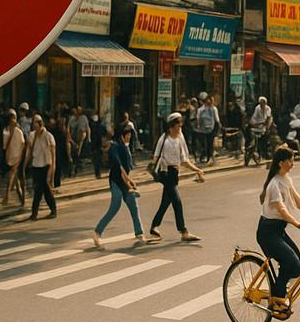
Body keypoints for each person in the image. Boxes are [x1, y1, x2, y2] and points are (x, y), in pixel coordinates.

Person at [258, 146, 300, 318]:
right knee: (293, 264)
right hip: (268, 233)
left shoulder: (286, 179)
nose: (293, 163)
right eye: (290, 160)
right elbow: (281, 209)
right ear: (281, 163)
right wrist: (296, 223)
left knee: (298, 266)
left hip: (278, 231)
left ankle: (279, 288)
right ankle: (277, 302)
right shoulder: (274, 184)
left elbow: (297, 199)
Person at [149, 112, 205, 243]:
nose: (180, 126)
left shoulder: (180, 138)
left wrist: (197, 170)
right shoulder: (164, 139)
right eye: (178, 124)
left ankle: (154, 227)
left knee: (165, 203)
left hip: (174, 173)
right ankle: (183, 231)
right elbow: (155, 157)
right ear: (172, 126)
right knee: (177, 202)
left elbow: (184, 160)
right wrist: (154, 168)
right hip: (165, 173)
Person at [93, 125, 151, 248]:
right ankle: (97, 233)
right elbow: (120, 168)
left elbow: (127, 168)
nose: (129, 138)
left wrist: (129, 181)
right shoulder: (115, 148)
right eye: (127, 136)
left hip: (125, 182)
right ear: (121, 136)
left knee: (133, 206)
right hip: (116, 181)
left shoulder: (126, 147)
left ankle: (139, 233)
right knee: (115, 206)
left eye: (130, 136)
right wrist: (129, 181)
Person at [26, 115, 57, 220]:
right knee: (38, 190)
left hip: (46, 166)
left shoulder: (48, 136)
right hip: (36, 165)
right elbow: (30, 150)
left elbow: (53, 154)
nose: (35, 126)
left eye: (36, 123)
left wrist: (52, 168)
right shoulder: (32, 136)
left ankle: (50, 210)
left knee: (44, 190)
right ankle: (35, 213)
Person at [1, 111, 26, 207]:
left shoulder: (19, 131)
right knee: (16, 181)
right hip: (10, 156)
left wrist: (21, 156)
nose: (14, 120)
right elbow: (4, 146)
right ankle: (22, 201)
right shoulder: (6, 131)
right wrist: (11, 133)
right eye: (13, 118)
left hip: (18, 156)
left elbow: (23, 144)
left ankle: (7, 194)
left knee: (13, 175)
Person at [194, 93, 220, 164]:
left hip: (211, 129)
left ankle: (209, 157)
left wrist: (217, 130)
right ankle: (205, 157)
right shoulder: (201, 110)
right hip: (203, 129)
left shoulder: (213, 109)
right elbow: (198, 119)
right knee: (205, 144)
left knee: (209, 144)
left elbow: (217, 120)